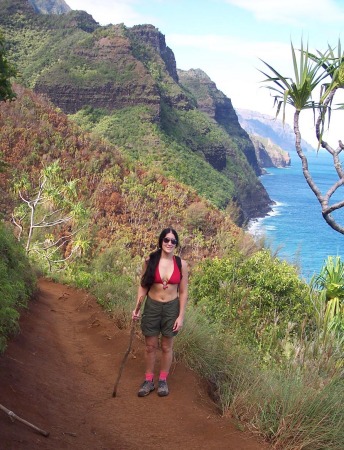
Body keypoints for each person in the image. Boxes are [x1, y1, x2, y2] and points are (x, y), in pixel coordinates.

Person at [132, 227, 188, 397]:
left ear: (176, 244)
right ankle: (149, 381)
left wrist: (181, 316)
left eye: (173, 241)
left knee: (166, 346)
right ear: (161, 241)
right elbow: (143, 287)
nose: (169, 243)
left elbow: (184, 292)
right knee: (150, 346)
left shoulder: (181, 264)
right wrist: (137, 309)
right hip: (152, 306)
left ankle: (162, 380)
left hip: (171, 307)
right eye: (166, 240)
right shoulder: (150, 261)